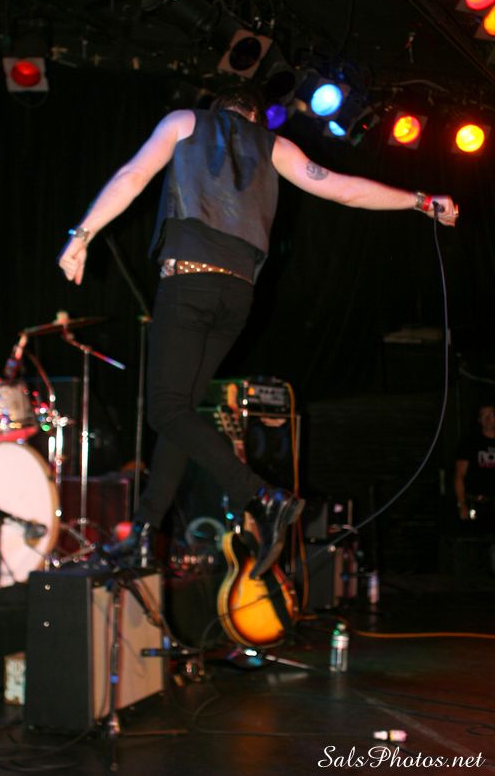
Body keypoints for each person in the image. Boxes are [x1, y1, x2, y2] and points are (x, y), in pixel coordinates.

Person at [58, 85, 458, 578]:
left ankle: (262, 497)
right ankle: (144, 533)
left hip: (189, 284)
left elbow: (133, 175)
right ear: (254, 116)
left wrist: (82, 234)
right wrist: (422, 201)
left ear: (218, 108)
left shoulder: (185, 121)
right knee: (179, 413)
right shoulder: (277, 147)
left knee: (165, 409)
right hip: (237, 296)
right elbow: (344, 189)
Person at [454, 402, 495, 532]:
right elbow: (459, 474)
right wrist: (462, 504)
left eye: (491, 415)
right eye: (484, 415)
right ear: (479, 420)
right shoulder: (470, 442)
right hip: (477, 504)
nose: (488, 419)